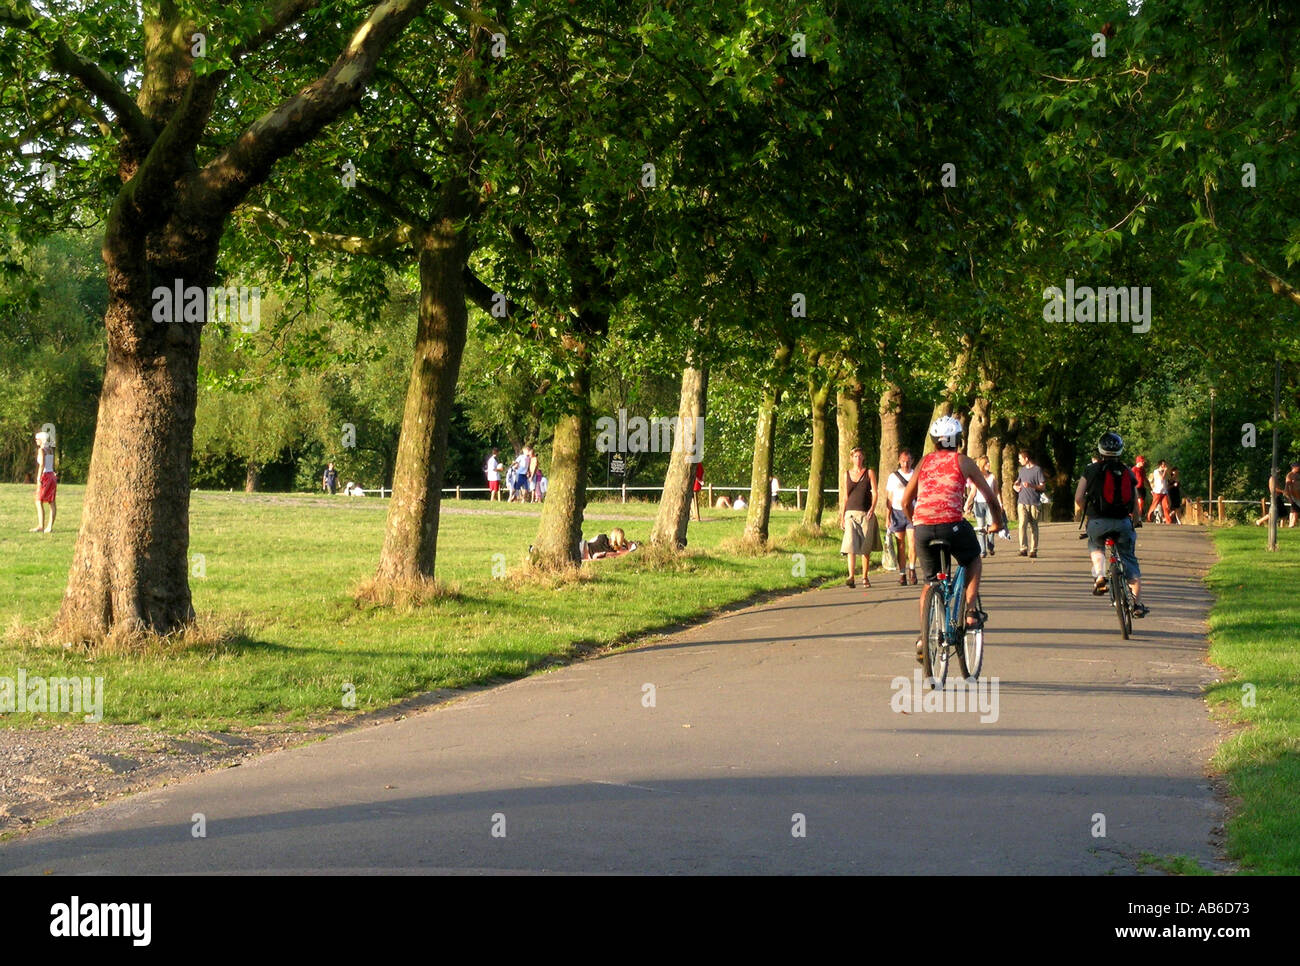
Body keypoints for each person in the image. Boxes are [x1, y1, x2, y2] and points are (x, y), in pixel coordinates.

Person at [901, 416, 1004, 658]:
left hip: (924, 527)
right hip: (952, 525)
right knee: (973, 558)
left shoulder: (924, 462)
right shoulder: (964, 462)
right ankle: (969, 612)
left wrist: (916, 521)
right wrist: (997, 522)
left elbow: (905, 501)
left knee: (929, 581)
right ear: (958, 440)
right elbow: (989, 497)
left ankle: (923, 638)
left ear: (935, 441)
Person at [1075, 432, 1147, 617]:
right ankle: (1137, 605)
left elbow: (1078, 497)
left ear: (1100, 450)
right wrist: (1136, 520)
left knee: (1096, 546)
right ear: (1120, 450)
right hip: (1123, 522)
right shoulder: (1127, 472)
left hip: (1097, 521)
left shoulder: (1091, 470)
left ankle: (1100, 576)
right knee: (1130, 561)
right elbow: (1134, 500)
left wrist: (1087, 512)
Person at [837, 446, 878, 589]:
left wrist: (872, 508)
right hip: (850, 513)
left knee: (865, 547)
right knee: (850, 544)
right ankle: (851, 576)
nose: (858, 459)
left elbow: (875, 492)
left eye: (860, 456)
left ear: (863, 458)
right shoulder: (846, 474)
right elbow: (845, 497)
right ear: (851, 458)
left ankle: (865, 576)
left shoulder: (869, 473)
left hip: (865, 513)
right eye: (855, 456)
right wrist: (842, 516)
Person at [885, 449, 918, 585]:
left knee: (912, 542)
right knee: (900, 545)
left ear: (912, 461)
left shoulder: (915, 474)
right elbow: (889, 497)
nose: (905, 464)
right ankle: (902, 573)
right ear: (899, 461)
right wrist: (887, 516)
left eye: (908, 461)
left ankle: (912, 569)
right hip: (897, 512)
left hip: (912, 512)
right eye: (903, 461)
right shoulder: (893, 477)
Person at [964, 454, 998, 557]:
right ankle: (982, 551)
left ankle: (990, 545)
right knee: (980, 527)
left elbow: (996, 491)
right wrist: (967, 504)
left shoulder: (992, 477)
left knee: (991, 525)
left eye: (989, 462)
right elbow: (973, 492)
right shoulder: (977, 477)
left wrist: (998, 503)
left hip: (990, 504)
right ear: (982, 465)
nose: (989, 464)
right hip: (979, 504)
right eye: (986, 463)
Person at [1013, 449, 1045, 557]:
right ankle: (1023, 548)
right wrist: (1015, 486)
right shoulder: (1021, 470)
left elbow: (1043, 487)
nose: (1019, 460)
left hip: (1034, 502)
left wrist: (1032, 486)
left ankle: (1033, 550)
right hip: (1022, 501)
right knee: (1022, 525)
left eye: (1020, 458)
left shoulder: (1037, 470)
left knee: (1033, 526)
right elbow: (1017, 481)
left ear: (1026, 459)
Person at [31, 430, 57, 532]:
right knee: (52, 502)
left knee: (38, 500)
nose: (36, 441)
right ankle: (49, 526)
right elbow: (51, 463)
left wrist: (38, 478)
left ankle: (41, 526)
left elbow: (42, 464)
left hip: (45, 476)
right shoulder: (50, 450)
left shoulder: (41, 450)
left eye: (37, 439)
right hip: (52, 475)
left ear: (41, 440)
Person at [1147, 459, 1171, 524]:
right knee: (1154, 505)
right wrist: (1165, 471)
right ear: (1160, 465)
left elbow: (1168, 480)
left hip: (1164, 491)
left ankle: (1168, 521)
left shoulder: (1165, 472)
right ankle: (1149, 518)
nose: (1165, 465)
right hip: (1157, 491)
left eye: (1165, 464)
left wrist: (1166, 472)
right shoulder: (1156, 471)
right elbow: (1161, 478)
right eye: (1163, 464)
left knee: (1166, 506)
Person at [1131, 454, 1149, 519]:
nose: (1144, 462)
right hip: (1136, 488)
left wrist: (1150, 488)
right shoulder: (1134, 469)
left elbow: (1145, 479)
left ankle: (1138, 516)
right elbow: (1131, 479)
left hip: (1142, 488)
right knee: (1140, 502)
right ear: (1138, 462)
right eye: (1142, 461)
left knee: (1141, 503)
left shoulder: (1143, 470)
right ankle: (1137, 516)